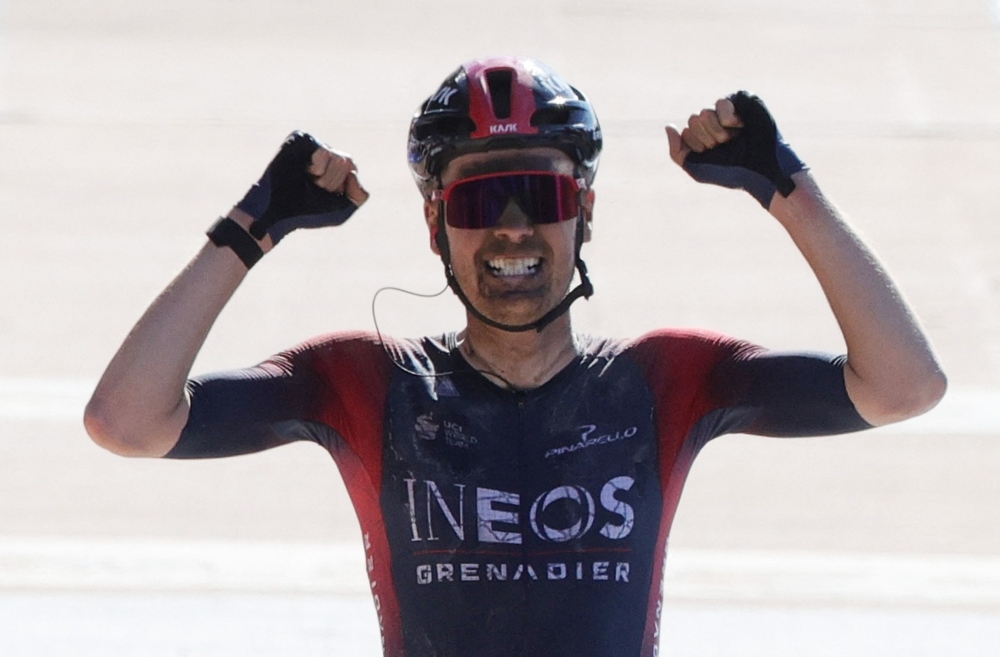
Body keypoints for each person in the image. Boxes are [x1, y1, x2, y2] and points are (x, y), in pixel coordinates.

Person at [84, 56, 946, 657]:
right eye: (479, 197)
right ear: (434, 225)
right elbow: (126, 420)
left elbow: (904, 385)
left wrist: (788, 188)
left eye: (541, 192)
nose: (511, 227)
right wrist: (251, 227)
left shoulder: (665, 380)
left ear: (585, 212)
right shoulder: (363, 383)